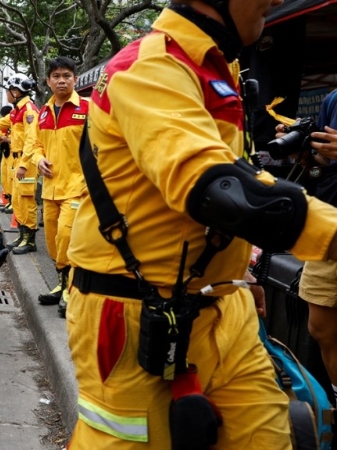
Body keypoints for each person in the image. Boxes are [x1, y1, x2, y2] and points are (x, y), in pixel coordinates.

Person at [65, 0, 337, 447]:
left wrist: (242, 273)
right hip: (134, 314)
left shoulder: (218, 67)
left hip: (223, 306)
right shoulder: (152, 68)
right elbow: (221, 189)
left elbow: (237, 171)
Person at [31, 57, 88, 319]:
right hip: (50, 189)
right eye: (56, 76)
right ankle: (62, 284)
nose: (61, 80)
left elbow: (100, 146)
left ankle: (71, 290)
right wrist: (38, 159)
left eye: (67, 75)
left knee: (67, 238)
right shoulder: (43, 112)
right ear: (48, 81)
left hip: (77, 188)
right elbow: (34, 145)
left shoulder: (87, 109)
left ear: (75, 79)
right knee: (52, 241)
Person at [293, 89, 337, 404]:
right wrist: (306, 156)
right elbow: (321, 170)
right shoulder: (334, 99)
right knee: (321, 328)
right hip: (330, 225)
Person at [0, 73, 39, 254]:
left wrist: (24, 164)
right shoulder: (16, 111)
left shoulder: (29, 111)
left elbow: (32, 140)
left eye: (9, 91)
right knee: (17, 200)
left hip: (26, 161)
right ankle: (22, 234)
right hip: (18, 160)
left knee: (26, 200)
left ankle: (30, 240)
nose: (8, 94)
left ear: (16, 92)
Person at [0, 105, 13, 212]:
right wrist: (0, 140)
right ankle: (8, 200)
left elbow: (18, 138)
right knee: (5, 177)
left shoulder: (15, 124)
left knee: (11, 179)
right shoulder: (3, 126)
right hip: (5, 153)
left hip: (13, 153)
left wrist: (7, 139)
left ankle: (13, 203)